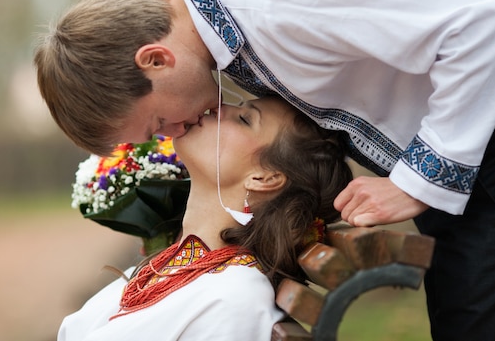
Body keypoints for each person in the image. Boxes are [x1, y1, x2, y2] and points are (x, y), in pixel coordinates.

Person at [33, 0, 495, 339]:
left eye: (159, 123)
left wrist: (418, 181)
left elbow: (484, 23)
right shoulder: (239, 14)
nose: (176, 132)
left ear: (156, 60)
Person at [57, 97, 353, 341]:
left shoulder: (234, 297)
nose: (218, 108)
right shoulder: (177, 266)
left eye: (245, 119)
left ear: (264, 177)